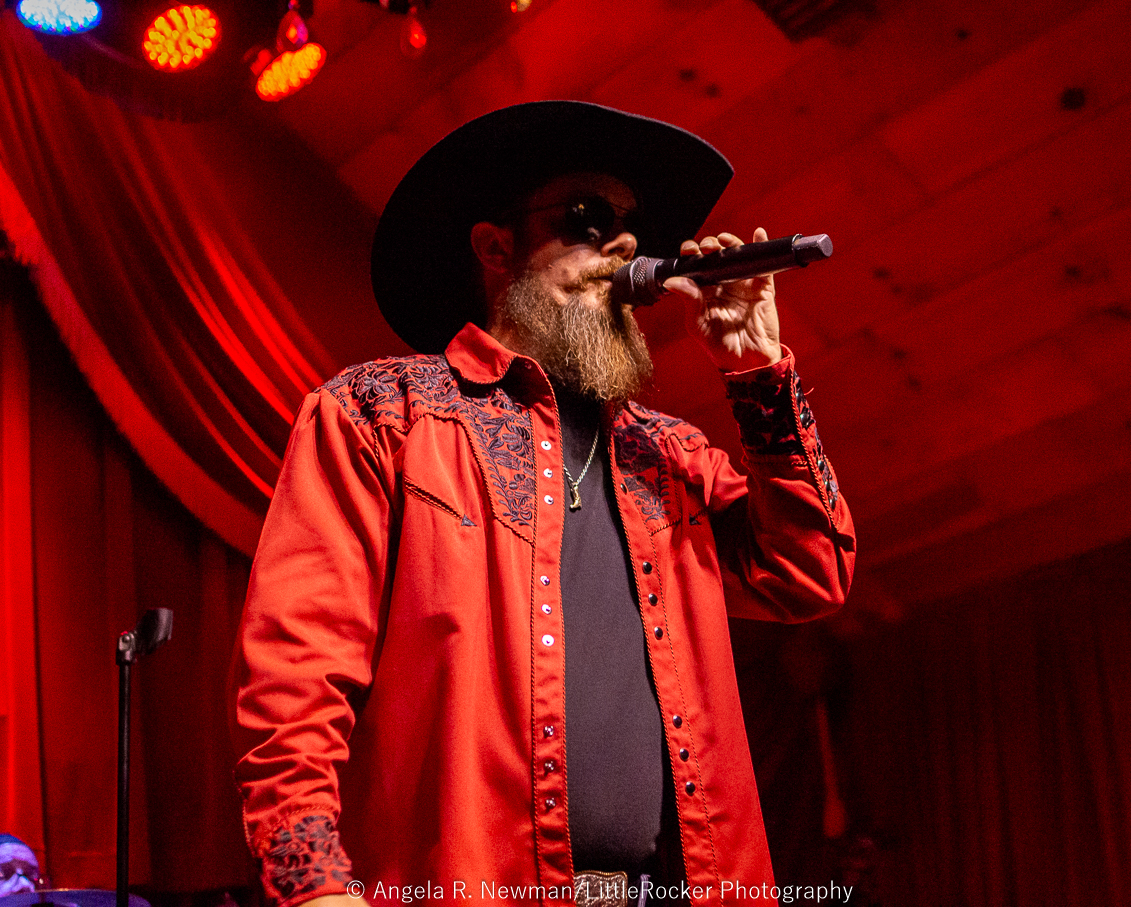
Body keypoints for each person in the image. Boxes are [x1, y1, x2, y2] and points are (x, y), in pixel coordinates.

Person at [230, 101, 855, 907]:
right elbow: (295, 670)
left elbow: (810, 570)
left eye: (632, 229)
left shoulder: (672, 457)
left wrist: (758, 374)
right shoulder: (382, 415)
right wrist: (312, 883)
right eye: (588, 219)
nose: (624, 246)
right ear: (497, 248)